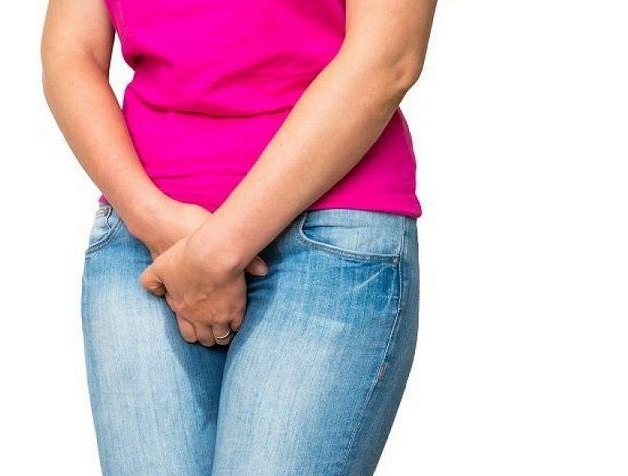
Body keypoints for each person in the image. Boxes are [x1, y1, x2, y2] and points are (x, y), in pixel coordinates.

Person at [42, 0, 436, 473]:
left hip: (330, 231)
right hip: (146, 241)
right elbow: (71, 54)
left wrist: (215, 251)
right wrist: (149, 216)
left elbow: (388, 59)